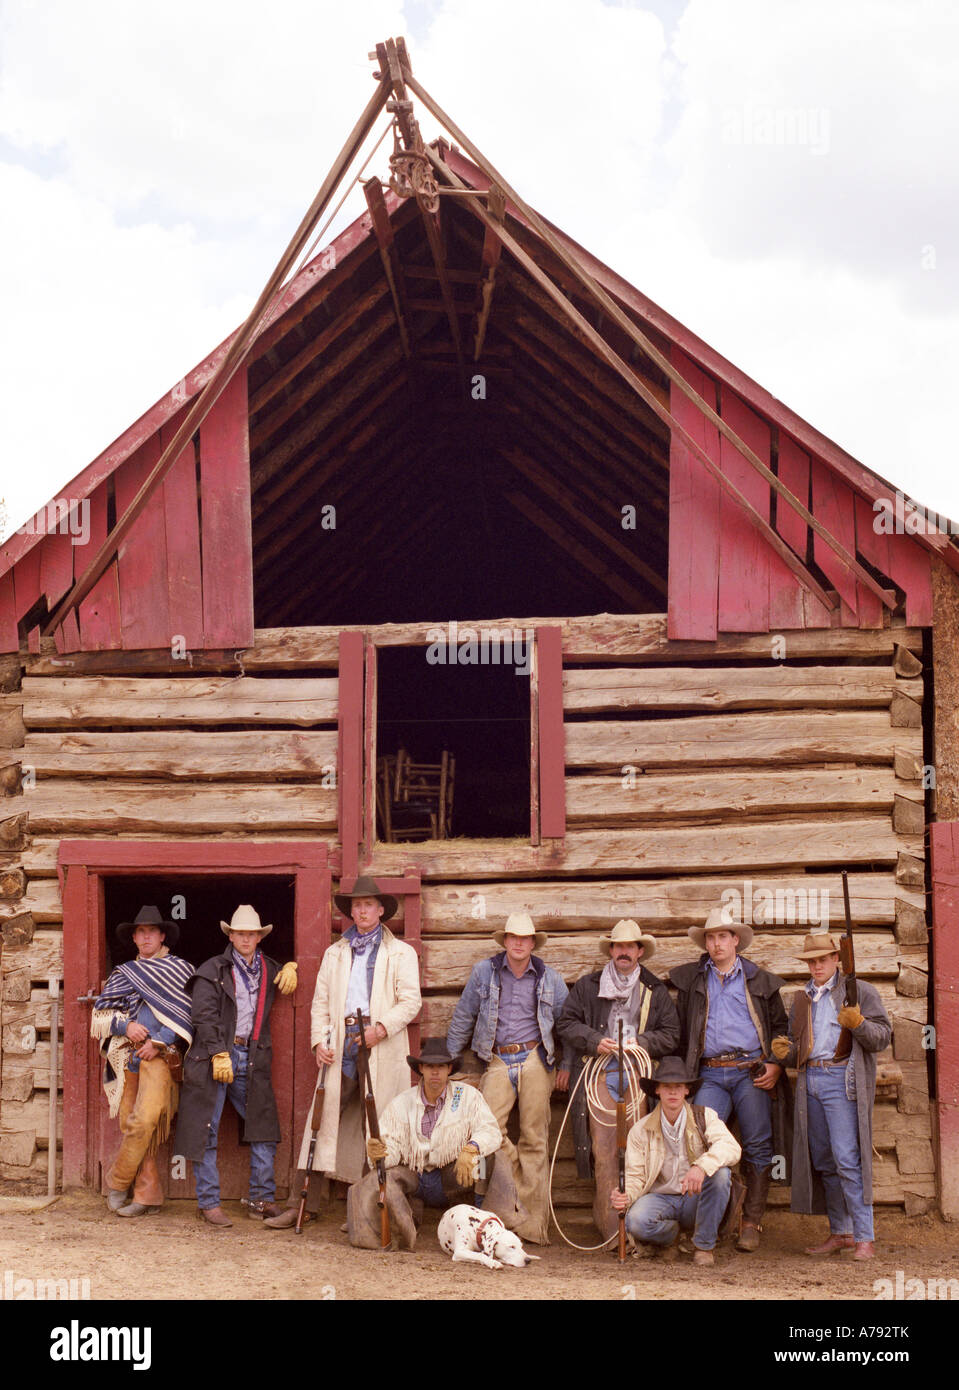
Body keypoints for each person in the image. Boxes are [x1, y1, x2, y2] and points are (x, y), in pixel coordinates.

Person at [265, 875, 421, 1229]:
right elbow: (320, 1002)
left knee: (378, 1123)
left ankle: (368, 1209)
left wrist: (379, 1030)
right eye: (357, 906)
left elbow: (411, 1002)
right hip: (343, 1041)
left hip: (378, 1041)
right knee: (321, 1119)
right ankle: (301, 1204)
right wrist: (320, 1041)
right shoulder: (336, 953)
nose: (362, 911)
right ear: (351, 912)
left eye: (369, 905)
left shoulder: (400, 953)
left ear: (381, 911)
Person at [669, 903, 788, 1252]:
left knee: (758, 1146)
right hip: (708, 1071)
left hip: (751, 1071)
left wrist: (776, 1065)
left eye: (723, 936)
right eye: (711, 938)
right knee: (700, 1141)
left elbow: (780, 1030)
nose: (717, 944)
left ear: (735, 940)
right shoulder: (692, 981)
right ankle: (711, 1225)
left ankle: (751, 1222)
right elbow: (681, 1033)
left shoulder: (760, 981)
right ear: (705, 943)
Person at [446, 912, 569, 1245]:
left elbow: (566, 1026)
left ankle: (531, 1225)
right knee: (487, 1131)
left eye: (525, 938)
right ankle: (501, 1204)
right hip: (497, 1058)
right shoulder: (484, 972)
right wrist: (446, 1064)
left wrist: (567, 1064)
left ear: (532, 943)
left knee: (535, 1138)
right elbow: (464, 1016)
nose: (518, 943)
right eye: (513, 937)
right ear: (505, 941)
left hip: (535, 1057)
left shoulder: (550, 979)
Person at [174, 904, 298, 1227]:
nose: (246, 938)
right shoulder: (211, 970)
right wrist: (218, 1051)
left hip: (251, 1057)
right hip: (215, 1057)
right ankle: (209, 1203)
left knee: (264, 1127)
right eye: (240, 932)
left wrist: (291, 965)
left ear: (259, 937)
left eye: (251, 933)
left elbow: (284, 963)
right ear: (230, 934)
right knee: (207, 1129)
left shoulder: (269, 969)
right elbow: (203, 1015)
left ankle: (261, 1199)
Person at [771, 933, 891, 1261]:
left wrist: (861, 1023)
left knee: (847, 1159)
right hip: (810, 1080)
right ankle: (841, 1232)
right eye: (811, 961)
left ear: (836, 959)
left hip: (842, 1080)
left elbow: (881, 1037)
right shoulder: (802, 999)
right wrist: (787, 1053)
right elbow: (803, 1048)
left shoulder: (859, 992)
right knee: (824, 1160)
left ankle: (865, 1237)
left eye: (823, 959)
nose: (816, 966)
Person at [557, 920, 680, 1239]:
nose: (624, 952)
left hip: (639, 1075)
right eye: (618, 946)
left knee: (639, 1150)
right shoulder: (588, 986)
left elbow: (671, 1035)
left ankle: (640, 1226)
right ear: (611, 950)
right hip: (601, 1072)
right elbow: (566, 1023)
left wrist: (641, 1042)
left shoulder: (654, 989)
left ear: (640, 951)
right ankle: (614, 1232)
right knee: (606, 1149)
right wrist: (593, 1041)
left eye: (630, 946)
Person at [349, 1038, 510, 1249]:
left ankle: (485, 1221)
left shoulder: (468, 1096)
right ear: (421, 1069)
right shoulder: (401, 1103)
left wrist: (472, 1148)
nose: (435, 1072)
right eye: (430, 1066)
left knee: (489, 1159)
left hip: (452, 1180)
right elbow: (392, 1146)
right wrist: (380, 1152)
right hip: (413, 1180)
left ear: (449, 1068)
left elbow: (490, 1131)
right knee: (384, 1175)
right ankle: (395, 1227)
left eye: (441, 1066)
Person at [90, 905, 194, 1218]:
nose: (146, 936)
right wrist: (126, 1026)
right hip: (127, 1057)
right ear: (134, 938)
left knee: (145, 1120)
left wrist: (159, 1041)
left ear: (163, 936)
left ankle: (117, 1181)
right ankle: (148, 1194)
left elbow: (189, 1014)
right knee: (129, 1124)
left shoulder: (182, 970)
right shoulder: (125, 973)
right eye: (140, 932)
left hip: (160, 1057)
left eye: (152, 931)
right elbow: (101, 1014)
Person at [610, 1056, 741, 1266]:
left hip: (694, 1198)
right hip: (660, 1198)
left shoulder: (705, 1116)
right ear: (657, 1091)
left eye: (678, 1086)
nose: (673, 1092)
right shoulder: (640, 1130)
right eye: (667, 1087)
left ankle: (704, 1247)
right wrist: (625, 1196)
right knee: (636, 1221)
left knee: (721, 1175)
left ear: (687, 1090)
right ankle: (672, 1237)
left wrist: (701, 1166)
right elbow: (635, 1175)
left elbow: (731, 1148)